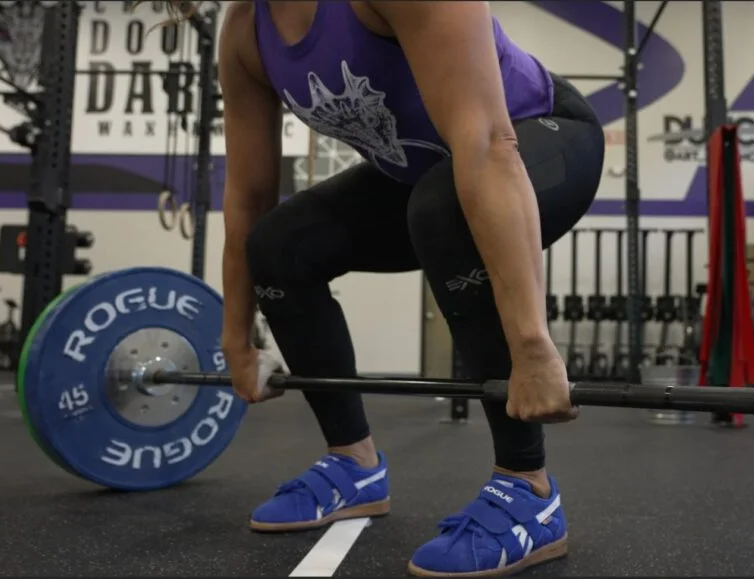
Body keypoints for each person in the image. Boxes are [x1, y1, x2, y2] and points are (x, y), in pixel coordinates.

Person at [177, 0, 605, 575]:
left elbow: (487, 145)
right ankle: (353, 464)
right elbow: (249, 199)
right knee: (280, 243)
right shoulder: (245, 33)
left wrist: (533, 348)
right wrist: (235, 336)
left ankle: (529, 489)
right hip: (426, 172)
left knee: (444, 210)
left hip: (540, 135)